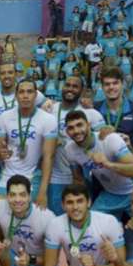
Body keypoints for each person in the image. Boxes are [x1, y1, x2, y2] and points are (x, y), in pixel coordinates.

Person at [64, 110, 133, 218]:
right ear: (67, 131)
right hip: (111, 193)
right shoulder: (70, 150)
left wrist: (107, 164)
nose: (76, 131)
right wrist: (85, 202)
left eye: (79, 125)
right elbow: (78, 179)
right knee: (91, 222)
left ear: (88, 125)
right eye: (71, 128)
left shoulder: (109, 139)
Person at [0, 78, 57, 208]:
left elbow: (48, 157)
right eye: (21, 92)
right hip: (8, 174)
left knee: (29, 219)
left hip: (33, 176)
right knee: (1, 214)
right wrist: (1, 153)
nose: (25, 96)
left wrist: (43, 192)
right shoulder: (4, 117)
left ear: (36, 95)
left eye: (29, 92)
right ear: (16, 96)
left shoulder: (48, 119)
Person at [48, 76, 104, 215]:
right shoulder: (49, 110)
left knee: (80, 217)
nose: (70, 89)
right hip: (55, 177)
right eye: (67, 85)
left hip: (81, 177)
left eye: (75, 86)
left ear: (82, 90)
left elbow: (104, 138)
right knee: (57, 219)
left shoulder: (90, 113)